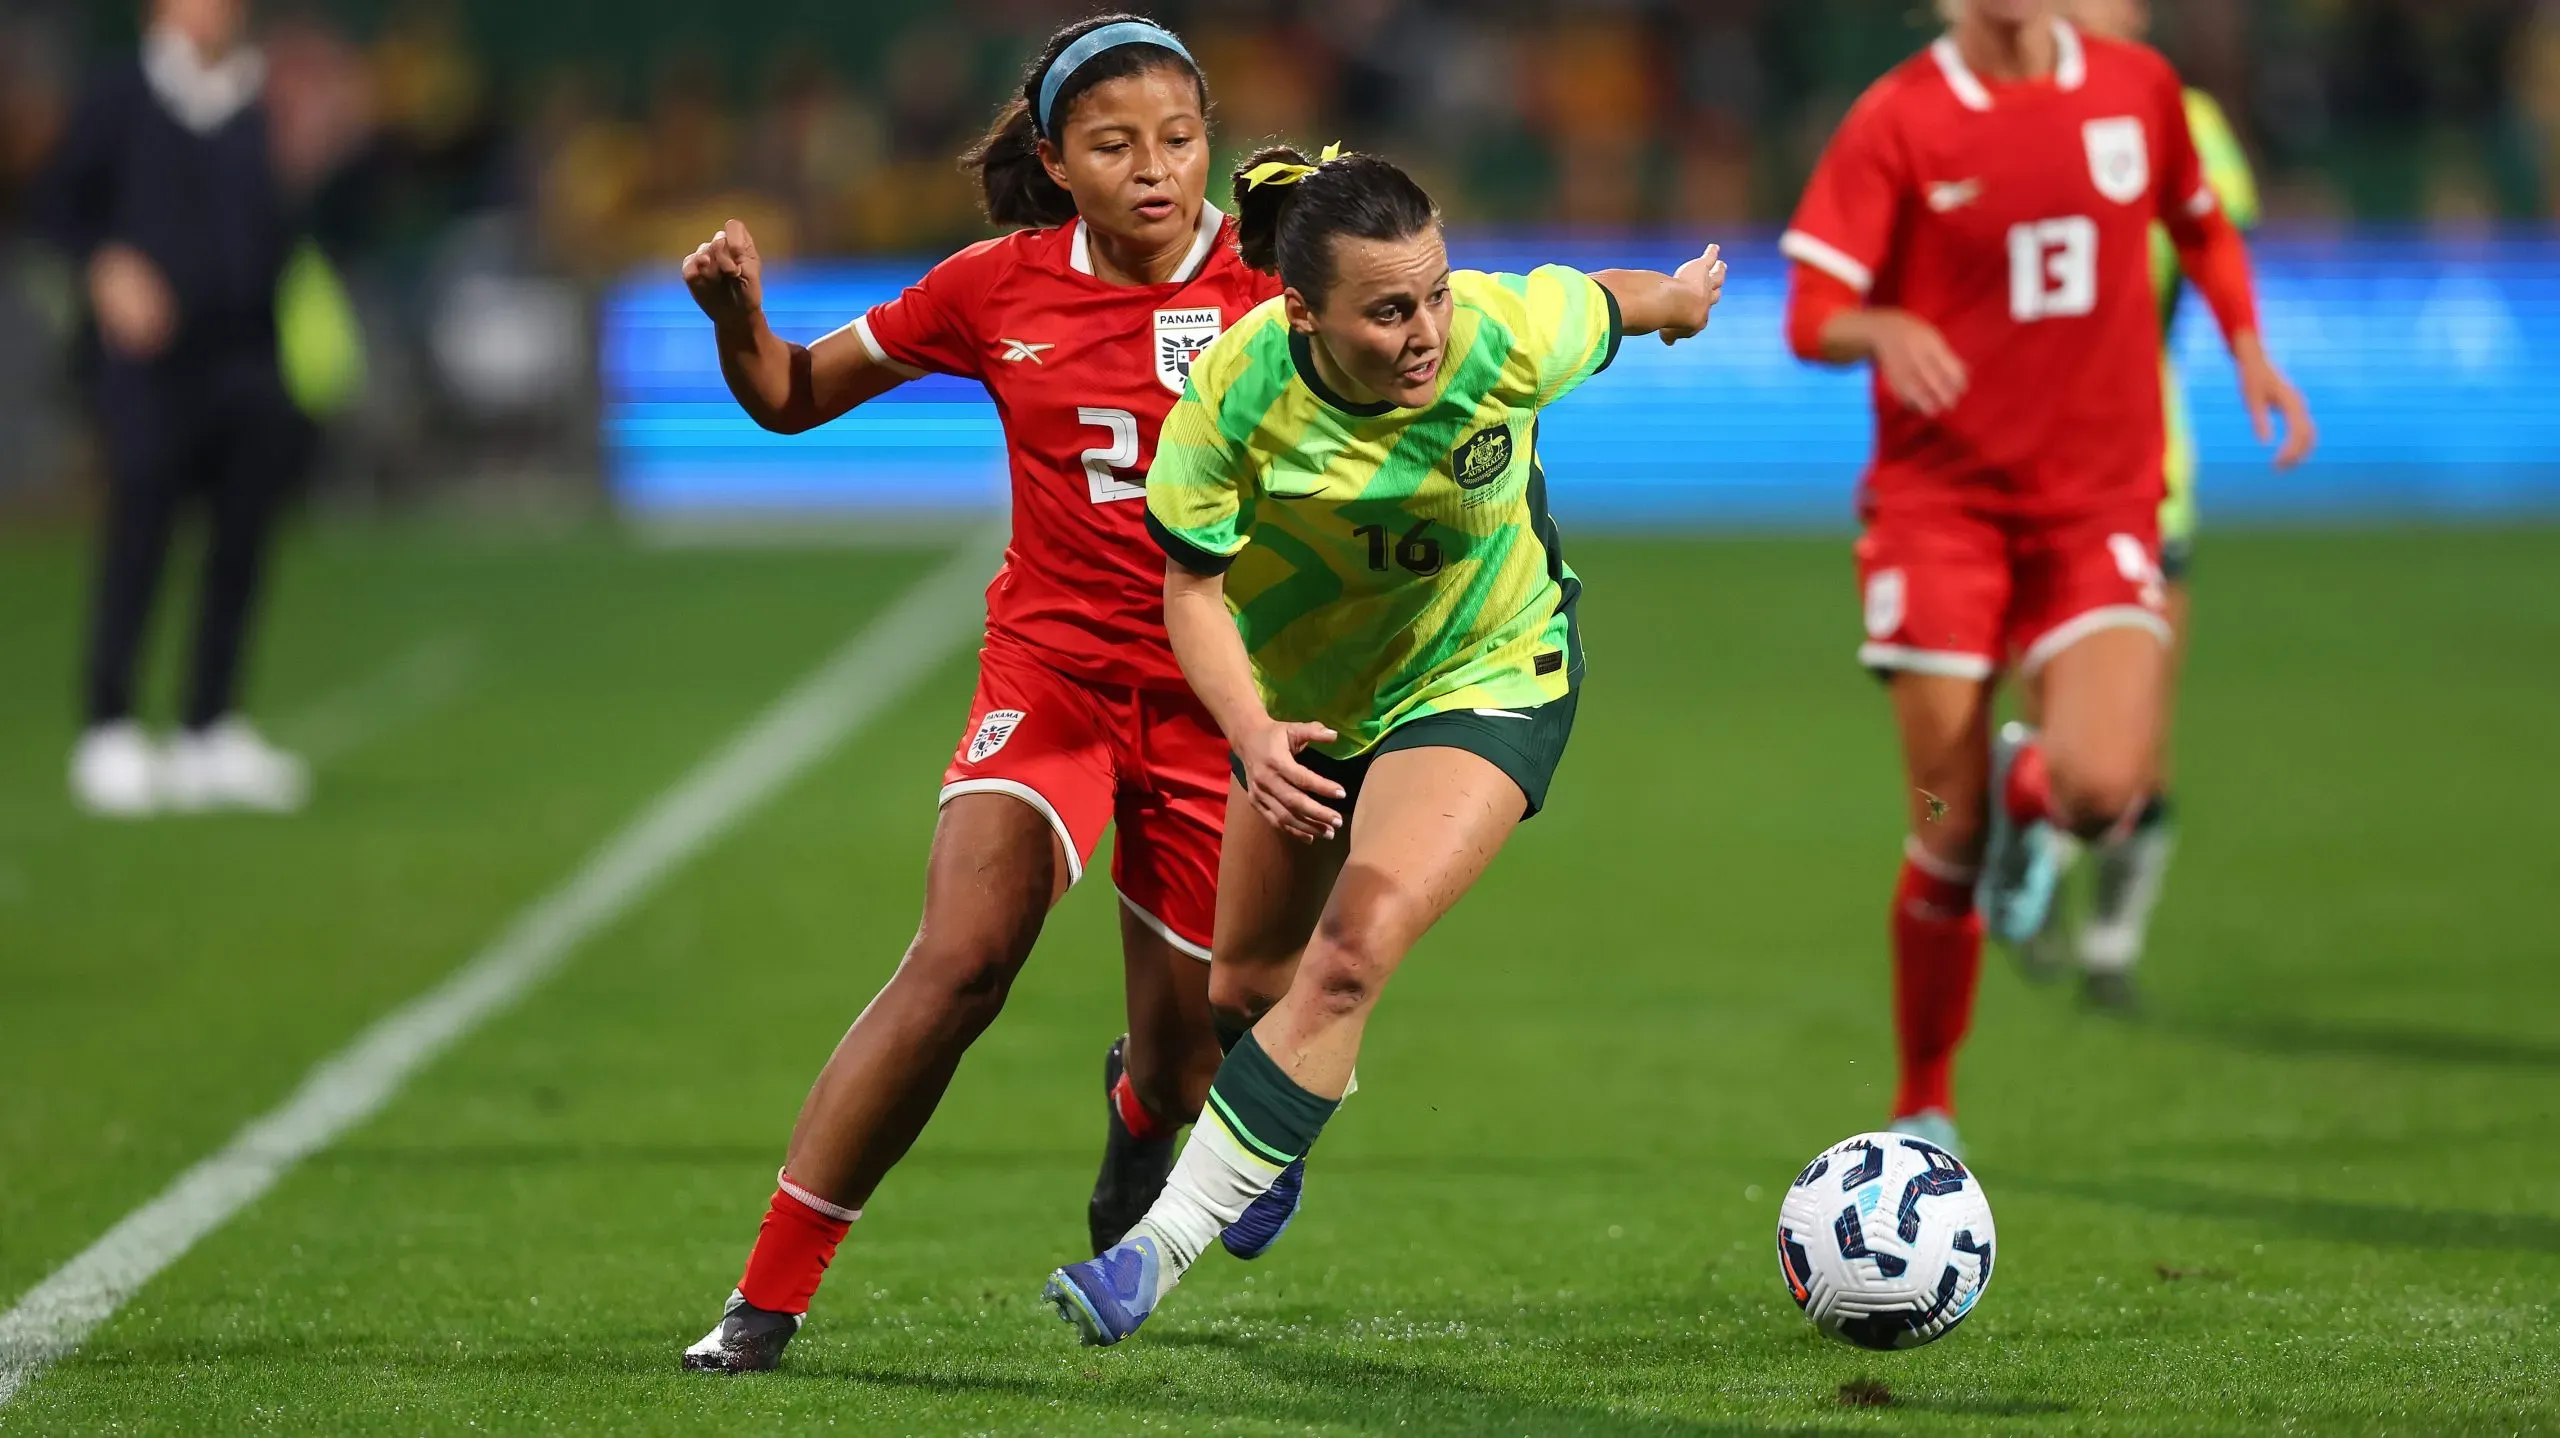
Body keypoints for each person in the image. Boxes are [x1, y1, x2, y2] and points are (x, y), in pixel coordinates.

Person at [1041, 143, 1726, 1347]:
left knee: (1351, 952)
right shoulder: (1235, 394)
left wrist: (1683, 300)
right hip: (1306, 712)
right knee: (1248, 989)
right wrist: (1249, 734)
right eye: (1390, 309)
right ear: (1300, 310)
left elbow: (1614, 302)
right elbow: (1190, 589)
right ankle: (1278, 1109)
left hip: (1486, 673)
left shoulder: (1500, 337)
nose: (1425, 332)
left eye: (1437, 292)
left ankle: (1152, 1252)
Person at [674, 15, 1278, 1374]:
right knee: (959, 959)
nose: (1156, 169)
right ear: (1057, 161)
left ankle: (1141, 1101)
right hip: (1052, 679)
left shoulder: (1277, 279)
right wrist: (740, 324)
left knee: (1187, 1064)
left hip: (1211, 706)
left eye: (1180, 140)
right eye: (1116, 145)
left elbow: (1422, 356)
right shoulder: (993, 286)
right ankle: (762, 1302)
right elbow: (787, 396)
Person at [1779, 0, 2314, 1154]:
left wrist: (2248, 347)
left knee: (2103, 785)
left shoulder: (2138, 88)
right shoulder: (1896, 121)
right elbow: (1808, 315)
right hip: (1940, 518)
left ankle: (2038, 793)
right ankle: (1924, 1100)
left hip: (2096, 507)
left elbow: (2201, 223)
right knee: (1941, 823)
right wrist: (1878, 329)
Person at [2023, 0, 2265, 1007]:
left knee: (2133, 738)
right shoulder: (2000, 108)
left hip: (2139, 472)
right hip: (2016, 470)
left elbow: (2215, 252)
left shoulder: (2185, 121)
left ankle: (2111, 941)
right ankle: (2030, 869)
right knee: (2048, 728)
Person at [38, 0, 313, 816]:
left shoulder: (253, 98)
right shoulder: (119, 95)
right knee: (140, 534)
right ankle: (110, 724)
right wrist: (108, 268)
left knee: (240, 544)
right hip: (152, 366)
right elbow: (57, 204)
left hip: (249, 355)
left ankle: (209, 725)